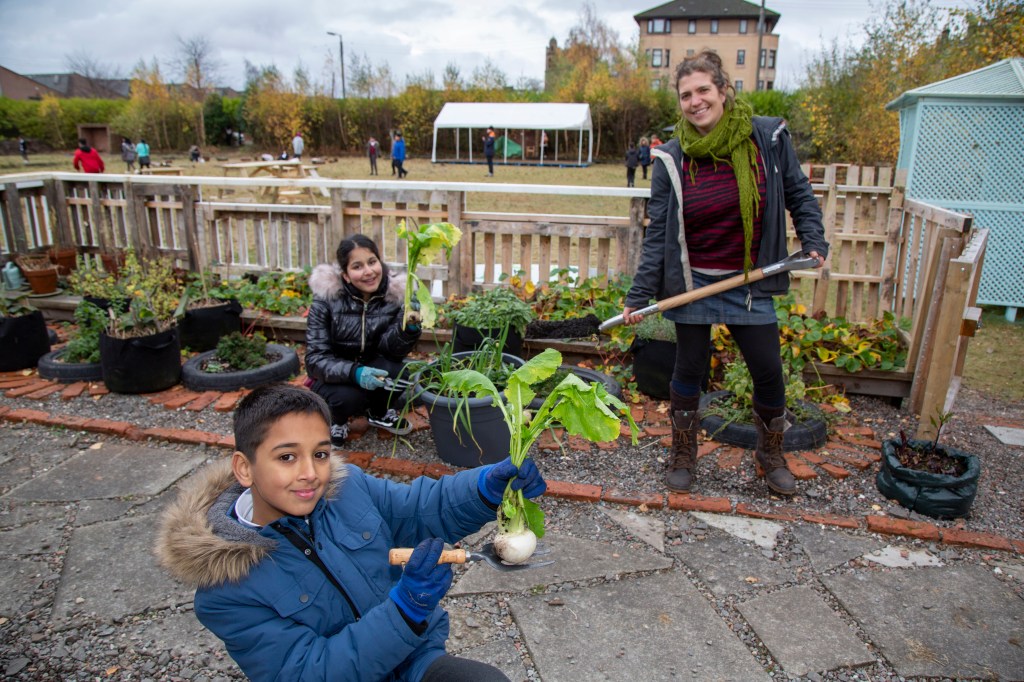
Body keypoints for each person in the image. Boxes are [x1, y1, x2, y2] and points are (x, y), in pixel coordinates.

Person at [156, 382, 545, 681]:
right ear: (244, 468)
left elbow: (417, 512)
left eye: (320, 453)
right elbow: (310, 672)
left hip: (411, 660)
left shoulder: (348, 488)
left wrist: (484, 487)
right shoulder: (225, 590)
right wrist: (405, 611)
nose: (310, 473)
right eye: (287, 457)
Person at [621, 50, 828, 497]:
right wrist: (639, 297)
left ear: (723, 91)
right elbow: (658, 233)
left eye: (702, 91)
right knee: (689, 369)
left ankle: (770, 455)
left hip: (749, 280)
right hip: (694, 284)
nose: (695, 102)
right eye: (685, 95)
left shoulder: (766, 138)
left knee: (768, 370)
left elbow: (798, 193)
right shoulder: (670, 159)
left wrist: (814, 240)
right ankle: (682, 455)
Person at [305, 234, 422, 446]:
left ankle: (378, 412)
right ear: (346, 275)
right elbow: (315, 360)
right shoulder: (326, 301)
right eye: (357, 266)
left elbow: (392, 352)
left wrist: (408, 328)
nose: (368, 271)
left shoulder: (394, 296)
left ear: (380, 263)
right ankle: (336, 420)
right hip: (334, 379)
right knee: (347, 398)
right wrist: (354, 372)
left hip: (372, 367)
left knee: (399, 372)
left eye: (372, 262)